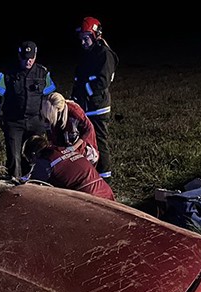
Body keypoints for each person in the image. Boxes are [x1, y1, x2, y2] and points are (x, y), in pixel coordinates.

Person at [0, 40, 57, 180]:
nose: (28, 61)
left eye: (31, 58)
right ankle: (15, 184)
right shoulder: (7, 74)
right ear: (19, 56)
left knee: (38, 154)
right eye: (25, 58)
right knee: (14, 157)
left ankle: (37, 182)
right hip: (14, 122)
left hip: (36, 121)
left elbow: (52, 97)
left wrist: (51, 118)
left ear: (35, 56)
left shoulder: (43, 73)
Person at [71, 16, 119, 181]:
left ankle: (105, 178)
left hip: (98, 107)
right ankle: (92, 174)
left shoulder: (104, 54)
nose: (83, 42)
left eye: (86, 39)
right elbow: (79, 78)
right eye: (82, 39)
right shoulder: (87, 54)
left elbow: (102, 81)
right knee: (87, 141)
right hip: (85, 106)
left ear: (95, 35)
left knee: (99, 140)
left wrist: (84, 91)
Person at [22, 134, 115, 201]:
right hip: (105, 191)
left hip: (89, 198)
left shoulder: (44, 162)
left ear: (33, 155)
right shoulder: (64, 150)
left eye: (30, 160)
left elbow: (31, 186)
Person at [41, 92, 99, 166]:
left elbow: (88, 129)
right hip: (61, 144)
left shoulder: (75, 111)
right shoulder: (47, 112)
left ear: (58, 110)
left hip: (78, 147)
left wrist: (74, 147)